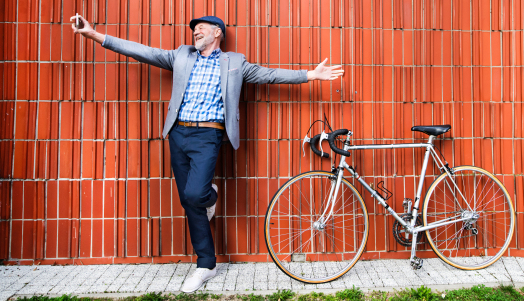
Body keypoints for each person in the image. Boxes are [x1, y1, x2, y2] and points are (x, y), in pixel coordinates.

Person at [71, 15, 343, 292]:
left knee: (195, 195)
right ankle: (206, 264)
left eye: (201, 28)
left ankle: (209, 196)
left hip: (208, 136)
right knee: (189, 202)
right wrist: (93, 35)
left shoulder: (234, 62)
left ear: (217, 33)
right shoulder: (181, 56)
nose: (195, 31)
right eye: (193, 29)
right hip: (178, 134)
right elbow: (142, 51)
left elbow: (269, 74)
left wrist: (310, 74)